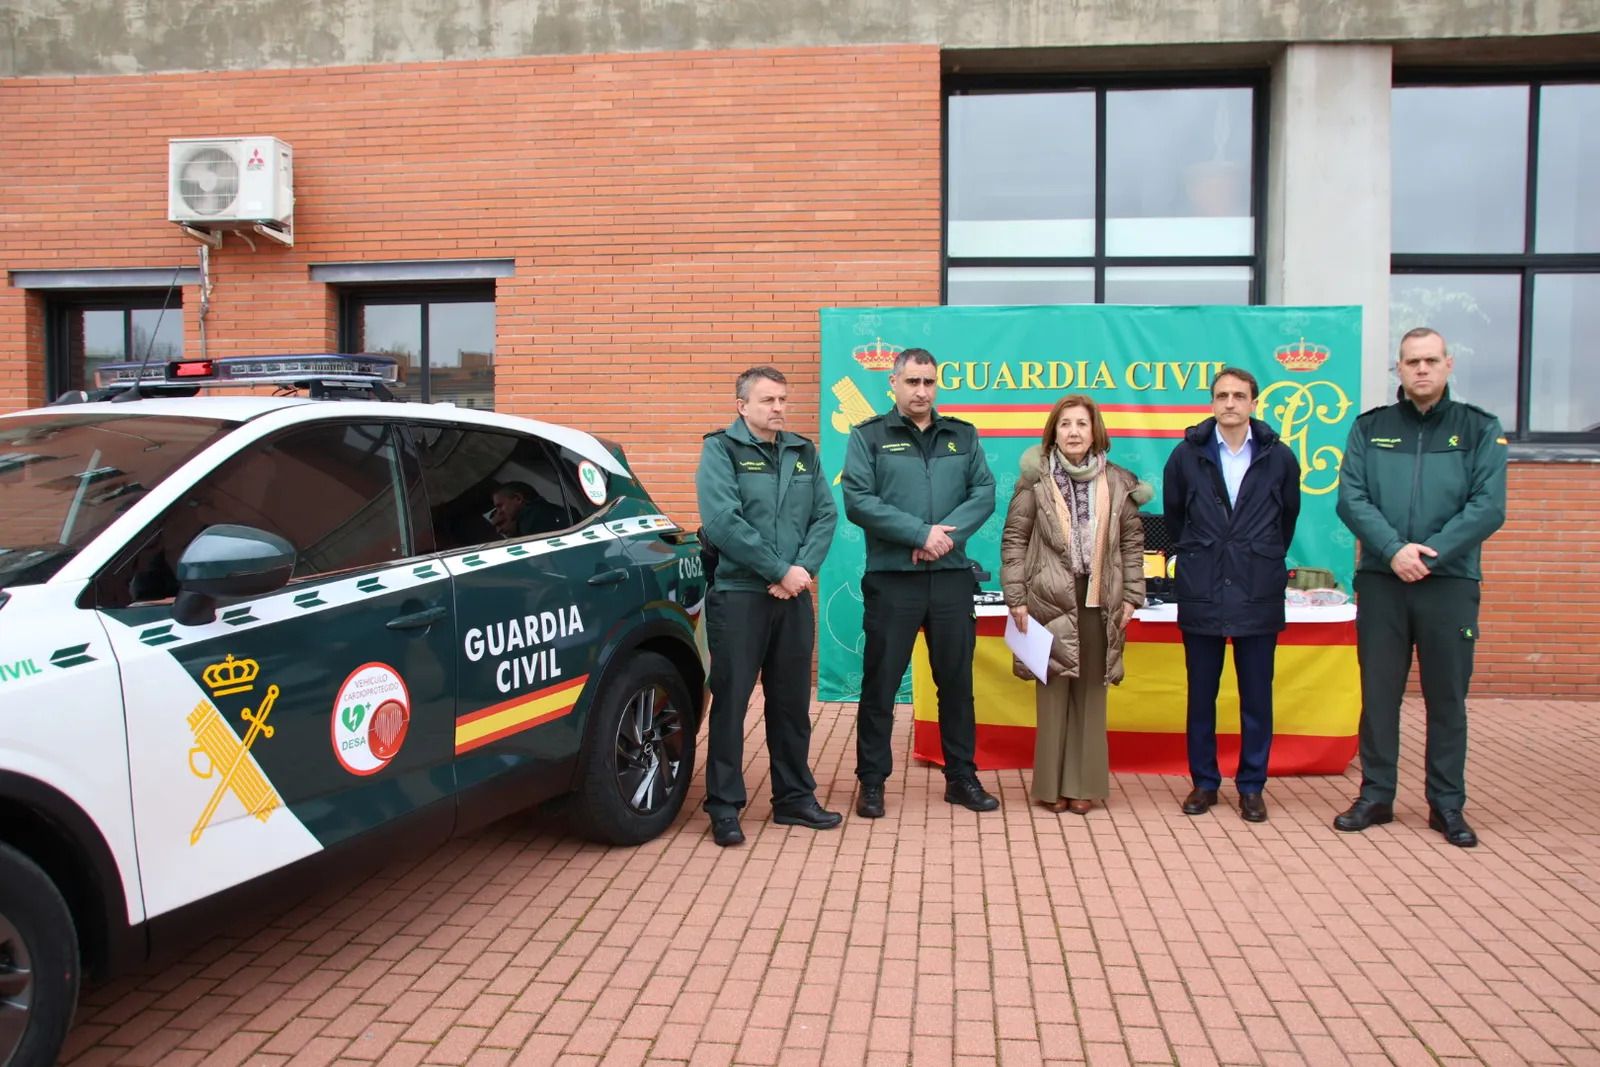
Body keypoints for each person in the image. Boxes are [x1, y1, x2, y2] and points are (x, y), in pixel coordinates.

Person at [1333, 327, 1508, 848]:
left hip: (1449, 582)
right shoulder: (1372, 428)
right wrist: (1394, 551)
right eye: (1412, 362)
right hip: (1384, 582)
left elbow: (1488, 506)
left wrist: (1429, 554)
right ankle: (1377, 795)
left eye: (1431, 360)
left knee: (1447, 699)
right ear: (1400, 370)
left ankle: (1447, 805)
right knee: (1379, 696)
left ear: (1449, 365)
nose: (1422, 370)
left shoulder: (1479, 428)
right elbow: (1351, 498)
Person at [842, 347, 998, 818]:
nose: (922, 391)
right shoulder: (868, 436)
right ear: (893, 384)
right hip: (894, 580)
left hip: (950, 579)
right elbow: (857, 500)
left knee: (956, 682)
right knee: (881, 684)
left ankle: (961, 777)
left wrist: (941, 540)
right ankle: (871, 782)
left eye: (929, 382)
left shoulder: (963, 436)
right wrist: (918, 534)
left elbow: (984, 492)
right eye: (912, 382)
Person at [695, 365, 840, 847]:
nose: (778, 408)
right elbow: (722, 521)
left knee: (792, 704)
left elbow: (824, 515)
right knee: (732, 702)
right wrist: (778, 570)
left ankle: (794, 799)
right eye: (767, 400)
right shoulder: (720, 449)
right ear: (742, 406)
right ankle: (724, 806)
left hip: (793, 596)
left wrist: (801, 572)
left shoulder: (803, 452)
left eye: (782, 399)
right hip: (739, 596)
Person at [1163, 368, 1301, 823]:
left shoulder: (1279, 458)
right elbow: (1176, 519)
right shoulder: (1186, 456)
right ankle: (1204, 782)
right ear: (1211, 402)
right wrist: (1207, 555)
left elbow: (1287, 521)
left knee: (1256, 696)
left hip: (1257, 589)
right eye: (1221, 395)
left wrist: (1255, 555)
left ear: (1254, 403)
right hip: (1203, 588)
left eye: (1239, 396)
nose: (1229, 403)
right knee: (1201, 695)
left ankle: (1251, 785)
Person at [1001, 395, 1146, 814]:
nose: (1074, 432)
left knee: (1091, 693)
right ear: (1054, 432)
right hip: (1047, 598)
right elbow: (1014, 540)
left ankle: (1084, 786)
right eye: (1065, 424)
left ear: (1095, 430)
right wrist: (1017, 598)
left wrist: (1132, 596)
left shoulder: (1119, 481)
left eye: (1082, 424)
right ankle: (1051, 786)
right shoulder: (1035, 482)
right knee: (1053, 693)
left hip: (1100, 600)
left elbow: (1134, 544)